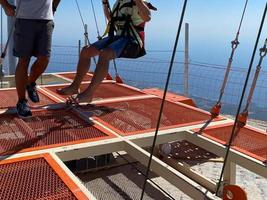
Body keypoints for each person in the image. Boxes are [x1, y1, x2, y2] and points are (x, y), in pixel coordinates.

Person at [57, 0, 155, 104]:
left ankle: (88, 94)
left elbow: (147, 17)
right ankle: (74, 86)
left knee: (105, 53)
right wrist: (105, 3)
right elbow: (111, 19)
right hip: (118, 37)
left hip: (133, 41)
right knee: (86, 51)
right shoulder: (119, 3)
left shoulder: (139, 2)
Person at [0, 0, 60, 118]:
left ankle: (30, 83)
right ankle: (22, 102)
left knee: (44, 59)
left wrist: (54, 7)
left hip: (46, 19)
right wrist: (5, 5)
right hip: (24, 19)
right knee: (24, 60)